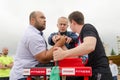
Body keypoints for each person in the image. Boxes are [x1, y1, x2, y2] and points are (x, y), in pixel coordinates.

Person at [53, 11, 113, 80]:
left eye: (69, 24)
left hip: (100, 72)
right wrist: (61, 43)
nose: (69, 27)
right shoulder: (79, 38)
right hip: (90, 73)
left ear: (73, 22)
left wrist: (64, 53)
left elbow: (89, 46)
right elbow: (75, 56)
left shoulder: (87, 27)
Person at [10, 11, 66, 80]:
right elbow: (43, 58)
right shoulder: (32, 35)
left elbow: (45, 53)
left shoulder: (36, 34)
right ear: (32, 20)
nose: (45, 20)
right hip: (22, 76)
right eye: (42, 18)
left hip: (26, 75)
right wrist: (60, 43)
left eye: (45, 18)